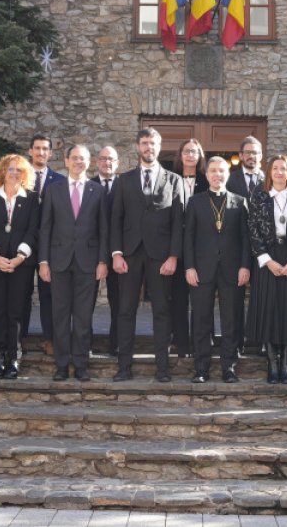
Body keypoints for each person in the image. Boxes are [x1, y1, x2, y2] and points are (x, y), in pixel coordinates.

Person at [110, 127, 185, 382]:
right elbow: (116, 219)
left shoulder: (174, 180)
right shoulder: (124, 180)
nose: (148, 148)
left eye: (152, 143)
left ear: (159, 146)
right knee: (125, 310)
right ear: (137, 147)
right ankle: (124, 368)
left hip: (161, 256)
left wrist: (174, 256)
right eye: (144, 143)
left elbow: (178, 222)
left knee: (162, 311)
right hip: (129, 254)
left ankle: (162, 369)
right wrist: (116, 254)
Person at [38, 144, 110, 382]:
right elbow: (45, 227)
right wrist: (44, 261)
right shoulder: (53, 190)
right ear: (66, 161)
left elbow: (103, 230)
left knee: (83, 317)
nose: (79, 162)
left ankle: (80, 364)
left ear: (89, 163)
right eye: (75, 158)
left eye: (84, 159)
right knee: (59, 315)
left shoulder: (97, 191)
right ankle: (61, 365)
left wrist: (102, 261)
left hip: (88, 263)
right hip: (58, 262)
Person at [183, 156, 252, 383]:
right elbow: (188, 237)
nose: (217, 175)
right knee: (201, 319)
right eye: (213, 170)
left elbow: (245, 239)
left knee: (231, 319)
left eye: (221, 171)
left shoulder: (240, 202)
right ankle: (201, 368)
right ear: (207, 174)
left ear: (227, 174)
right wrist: (189, 267)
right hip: (201, 269)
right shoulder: (195, 202)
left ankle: (229, 367)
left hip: (232, 270)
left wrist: (245, 266)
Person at [246, 155, 287, 384]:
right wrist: (267, 260)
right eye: (275, 168)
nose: (280, 172)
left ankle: (286, 364)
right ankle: (272, 364)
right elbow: (252, 230)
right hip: (267, 259)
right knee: (269, 310)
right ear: (269, 172)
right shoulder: (259, 197)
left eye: (284, 168)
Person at [0, 154, 39, 379]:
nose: (14, 173)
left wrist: (19, 257)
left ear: (24, 175)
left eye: (19, 170)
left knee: (15, 311)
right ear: (3, 171)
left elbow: (33, 230)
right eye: (10, 169)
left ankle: (14, 359)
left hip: (20, 264)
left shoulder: (32, 199)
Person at [24, 134, 65, 355]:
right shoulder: (19, 177)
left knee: (49, 294)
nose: (41, 153)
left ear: (50, 153)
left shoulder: (60, 181)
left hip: (50, 245)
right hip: (23, 243)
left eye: (45, 149)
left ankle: (50, 338)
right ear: (30, 151)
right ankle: (19, 338)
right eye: (37, 148)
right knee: (21, 293)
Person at [224, 135, 263, 354]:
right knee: (234, 300)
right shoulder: (230, 180)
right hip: (236, 247)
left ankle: (257, 341)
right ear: (241, 156)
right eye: (247, 152)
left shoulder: (269, 179)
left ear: (261, 155)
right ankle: (236, 343)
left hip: (262, 249)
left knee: (261, 296)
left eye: (255, 152)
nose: (251, 156)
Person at [171, 138, 207, 358]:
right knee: (178, 298)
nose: (190, 155)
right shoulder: (170, 178)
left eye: (194, 151)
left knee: (200, 299)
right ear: (180, 154)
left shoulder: (206, 179)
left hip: (200, 247)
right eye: (186, 151)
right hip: (176, 245)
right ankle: (181, 342)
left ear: (200, 155)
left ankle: (200, 340)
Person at [92, 145, 122, 356]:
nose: (107, 162)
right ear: (97, 162)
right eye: (103, 159)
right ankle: (85, 344)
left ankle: (116, 344)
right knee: (86, 302)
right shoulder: (88, 185)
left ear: (117, 163)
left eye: (111, 159)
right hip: (91, 252)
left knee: (119, 302)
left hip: (119, 252)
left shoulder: (125, 185)